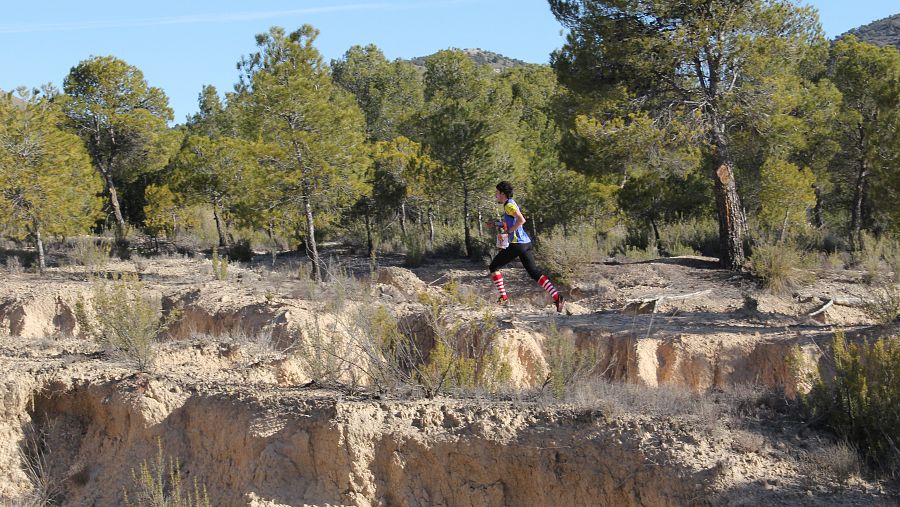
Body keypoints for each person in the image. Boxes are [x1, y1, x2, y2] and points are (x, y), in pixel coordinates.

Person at [487, 181, 564, 313]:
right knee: (534, 273)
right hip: (526, 243)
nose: (495, 196)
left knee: (493, 267)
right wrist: (497, 224)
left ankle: (504, 297)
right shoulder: (511, 202)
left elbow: (521, 220)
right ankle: (557, 297)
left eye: (497, 193)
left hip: (517, 244)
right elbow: (512, 222)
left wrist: (509, 231)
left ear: (502, 194)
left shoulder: (509, 205)